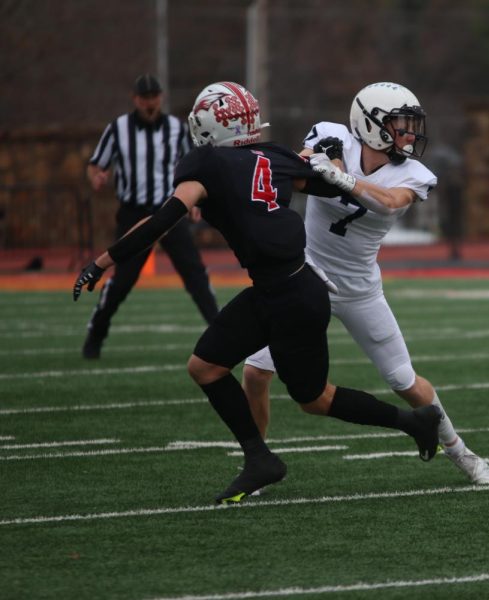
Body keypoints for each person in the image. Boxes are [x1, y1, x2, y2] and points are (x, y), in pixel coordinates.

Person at [73, 81, 442, 504]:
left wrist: (102, 261)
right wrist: (333, 163)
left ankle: (413, 423)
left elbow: (161, 221)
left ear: (207, 126)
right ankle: (259, 458)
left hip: (294, 294)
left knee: (314, 399)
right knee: (206, 366)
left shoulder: (208, 163)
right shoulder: (276, 157)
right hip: (280, 288)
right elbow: (337, 188)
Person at [242, 82, 489, 485]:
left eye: (412, 125)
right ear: (372, 124)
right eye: (401, 125)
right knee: (256, 372)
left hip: (360, 287)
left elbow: (390, 201)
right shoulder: (332, 135)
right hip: (305, 278)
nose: (410, 134)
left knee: (402, 379)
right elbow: (298, 164)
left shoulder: (414, 173)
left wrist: (344, 179)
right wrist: (315, 161)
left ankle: (461, 452)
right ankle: (257, 464)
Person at [82, 74, 218, 359]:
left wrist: (195, 201)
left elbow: (192, 166)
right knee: (122, 281)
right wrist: (97, 177)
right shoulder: (118, 129)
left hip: (169, 211)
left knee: (195, 276)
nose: (149, 103)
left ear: (161, 98)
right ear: (136, 99)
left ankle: (221, 332)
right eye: (144, 98)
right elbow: (95, 165)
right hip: (133, 213)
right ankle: (96, 334)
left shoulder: (176, 128)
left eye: (154, 97)